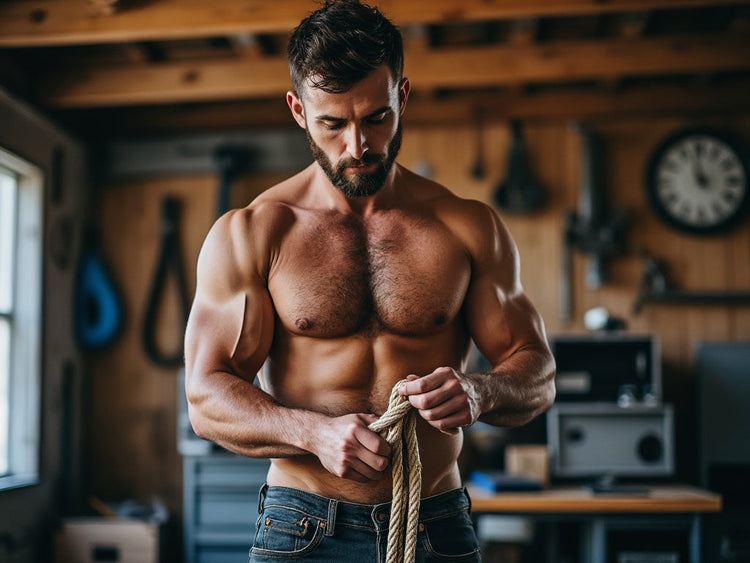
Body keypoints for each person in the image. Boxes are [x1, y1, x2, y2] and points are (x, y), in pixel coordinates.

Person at [184, 1, 556, 561]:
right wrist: (313, 433)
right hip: (302, 524)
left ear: (401, 98)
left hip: (434, 519)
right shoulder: (255, 233)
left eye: (376, 117)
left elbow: (538, 372)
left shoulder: (466, 226)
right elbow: (206, 397)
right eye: (333, 123)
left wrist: (480, 392)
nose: (357, 146)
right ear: (299, 111)